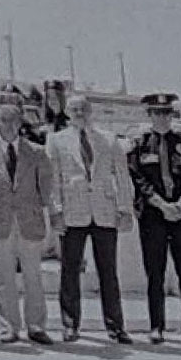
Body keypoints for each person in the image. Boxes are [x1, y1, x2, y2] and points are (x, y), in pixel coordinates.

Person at [46, 95, 134, 344]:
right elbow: (53, 179)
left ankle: (116, 326)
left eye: (83, 109)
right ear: (67, 112)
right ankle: (71, 324)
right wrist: (56, 211)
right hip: (73, 213)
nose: (79, 113)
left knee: (109, 271)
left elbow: (122, 176)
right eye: (74, 109)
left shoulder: (109, 139)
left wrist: (125, 209)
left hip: (104, 211)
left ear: (91, 111)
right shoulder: (56, 140)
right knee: (70, 270)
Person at [128, 93, 181, 345]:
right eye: (157, 113)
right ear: (149, 115)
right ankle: (156, 326)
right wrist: (161, 204)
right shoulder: (140, 145)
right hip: (153, 216)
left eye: (167, 113)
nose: (163, 118)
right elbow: (137, 179)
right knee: (156, 273)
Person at [0, 103, 54, 345]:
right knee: (4, 276)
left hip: (29, 219)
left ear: (21, 123)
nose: (9, 125)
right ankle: (8, 326)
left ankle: (36, 325)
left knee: (33, 275)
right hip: (1, 219)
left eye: (13, 120)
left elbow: (46, 187)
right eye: (3, 120)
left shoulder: (37, 152)